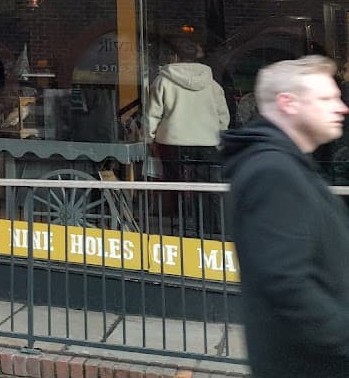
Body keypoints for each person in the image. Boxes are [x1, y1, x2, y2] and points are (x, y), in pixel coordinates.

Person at [220, 56, 349, 378]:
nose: (341, 107)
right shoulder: (272, 172)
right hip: (309, 365)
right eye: (326, 98)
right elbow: (285, 280)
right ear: (288, 103)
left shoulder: (289, 165)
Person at [146, 36, 230, 183]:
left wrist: (149, 138)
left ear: (174, 56)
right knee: (206, 188)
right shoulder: (212, 83)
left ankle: (182, 207)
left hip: (172, 142)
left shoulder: (162, 82)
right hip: (207, 142)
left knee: (175, 186)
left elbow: (152, 115)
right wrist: (220, 135)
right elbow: (223, 116)